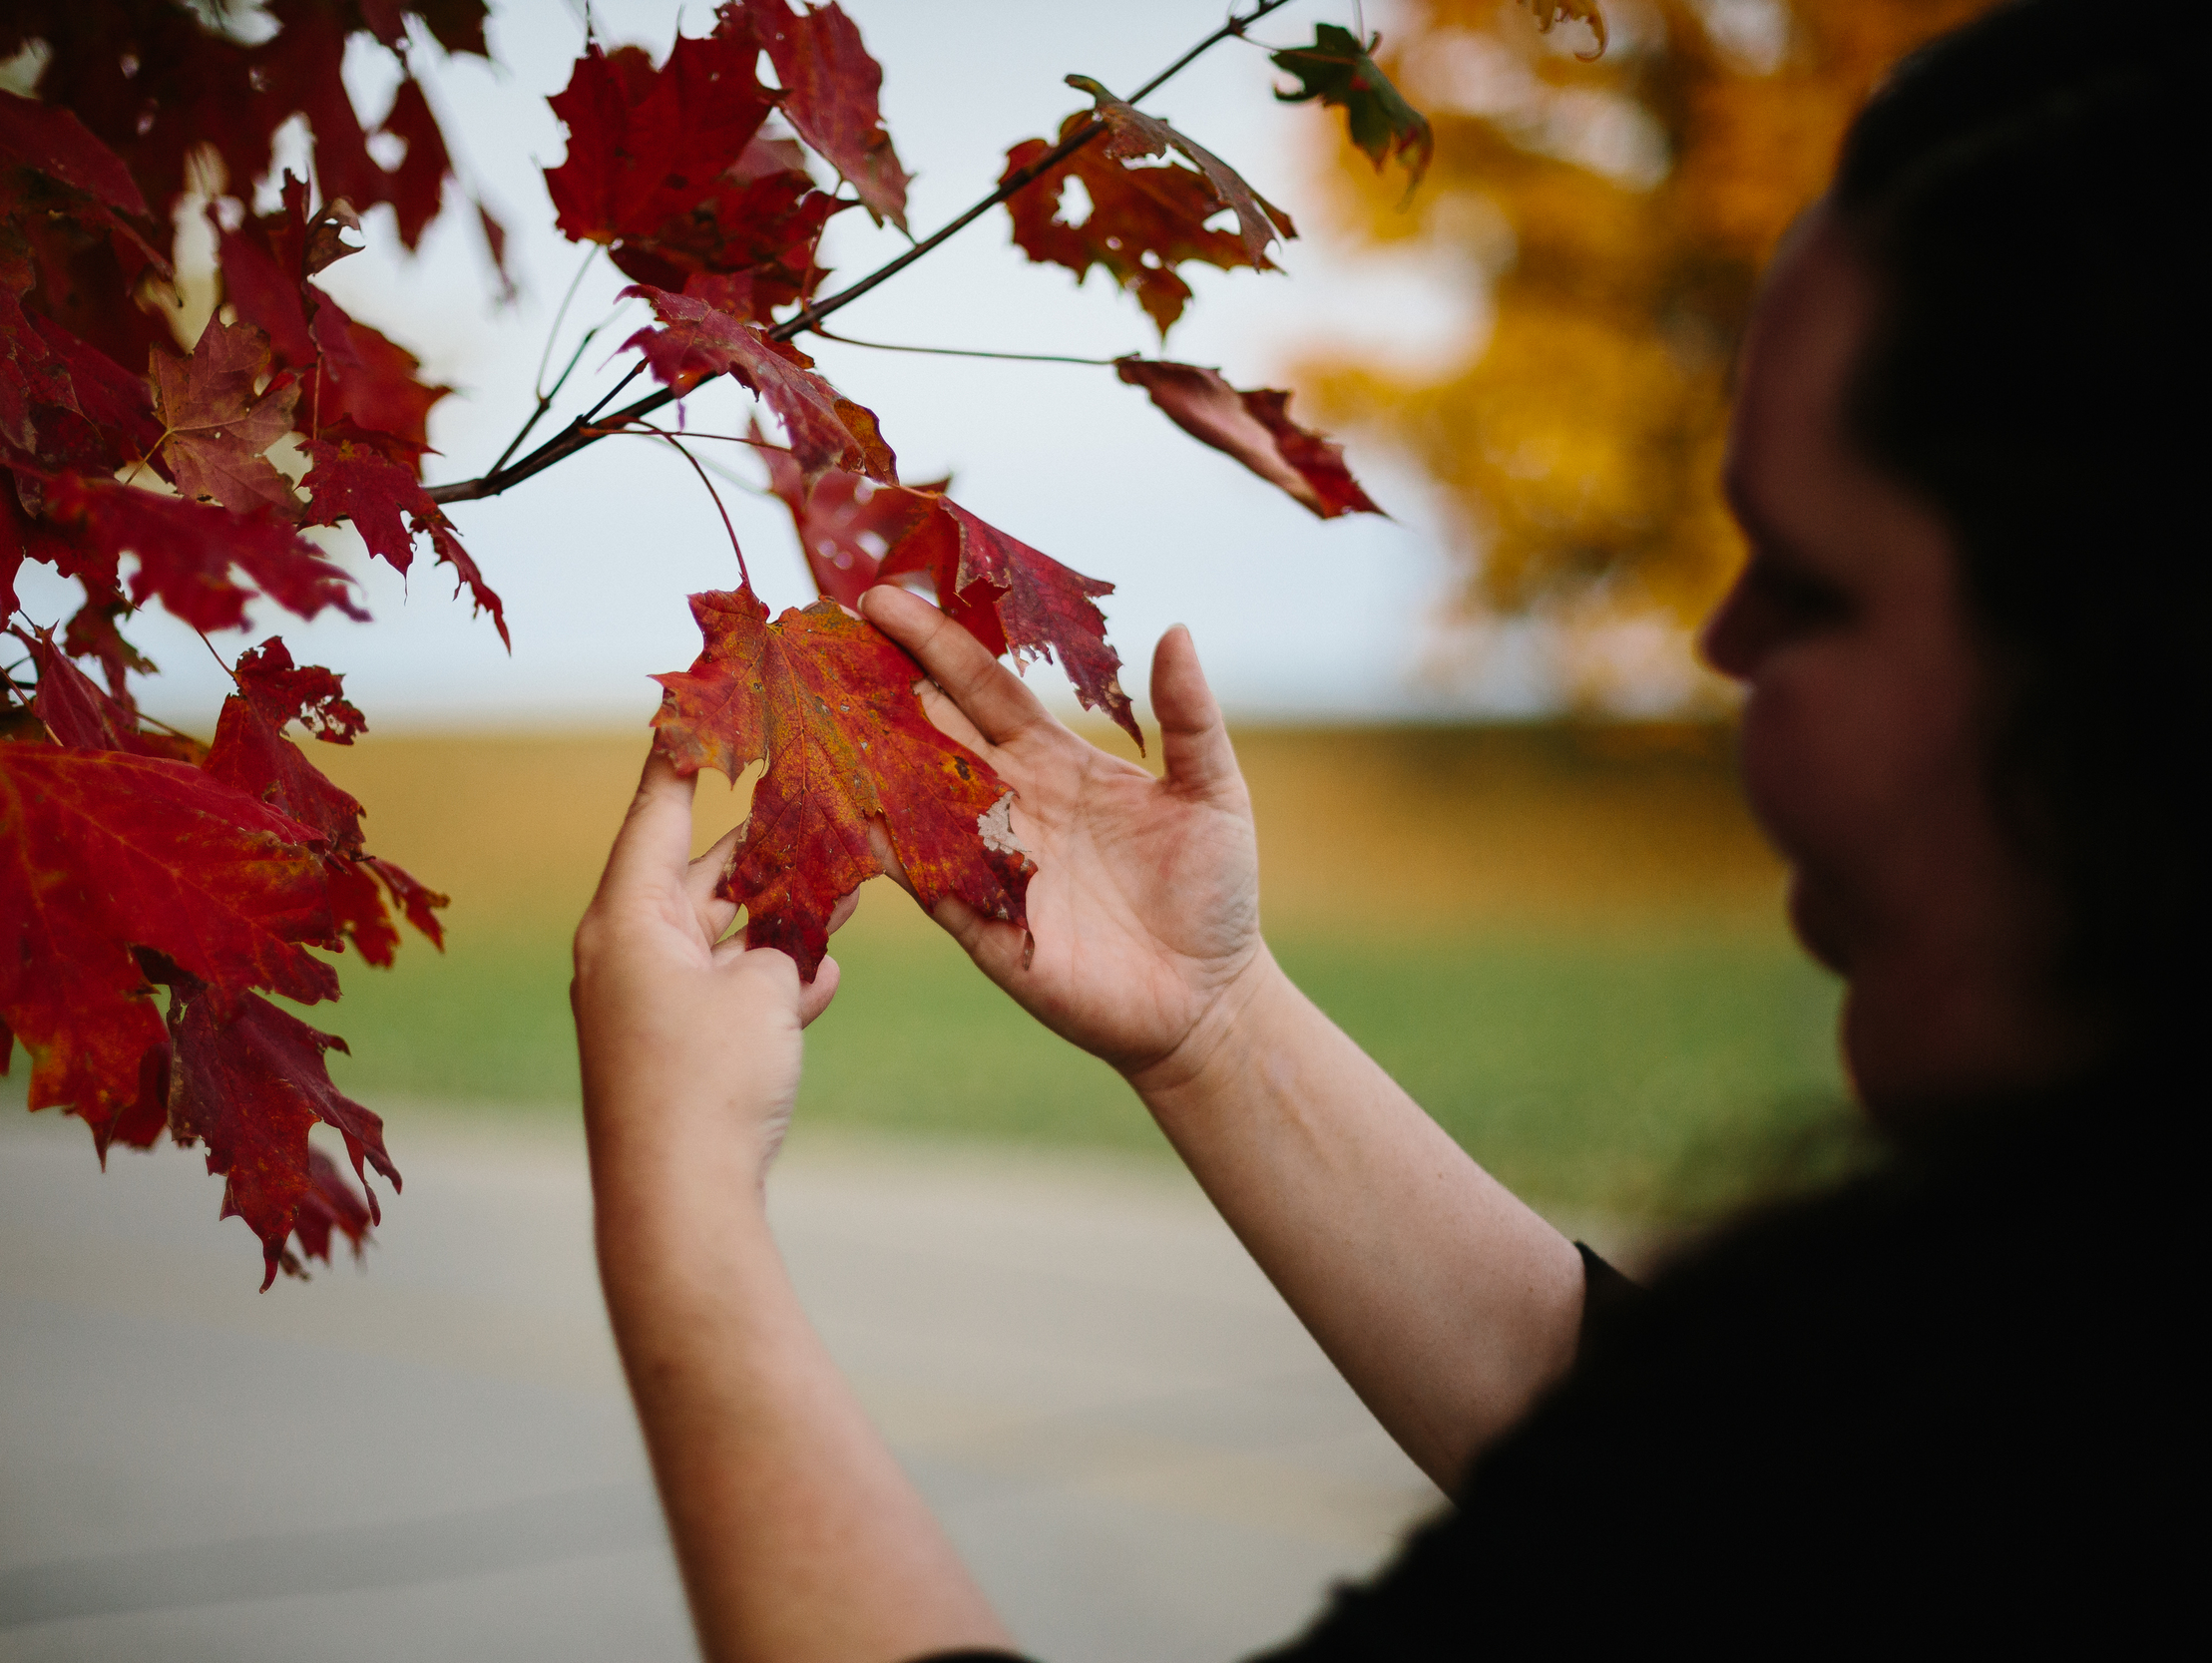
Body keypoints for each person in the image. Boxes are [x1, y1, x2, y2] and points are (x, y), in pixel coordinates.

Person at [566, 1, 2198, 1655]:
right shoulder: (2064, 1351)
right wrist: (1214, 1027)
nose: (1721, 650)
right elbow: (1691, 1489)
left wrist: (679, 1206)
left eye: (1815, 585)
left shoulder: (2076, 1440)